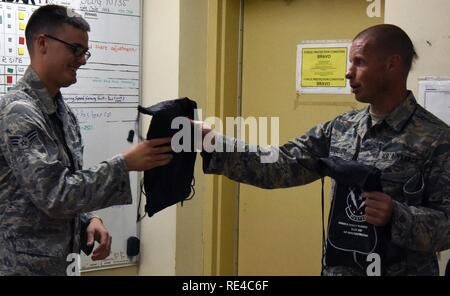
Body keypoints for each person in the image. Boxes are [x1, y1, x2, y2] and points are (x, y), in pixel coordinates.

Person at [197, 24, 450, 276]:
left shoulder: (436, 139)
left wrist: (397, 215)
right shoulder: (341, 128)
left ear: (392, 64)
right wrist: (212, 142)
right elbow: (282, 164)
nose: (348, 74)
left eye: (359, 62)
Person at [0, 5, 173, 276]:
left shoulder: (61, 111)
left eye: (85, 52)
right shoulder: (19, 112)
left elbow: (57, 187)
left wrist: (87, 220)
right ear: (43, 43)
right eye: (75, 49)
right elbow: (55, 195)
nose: (82, 60)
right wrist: (124, 165)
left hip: (61, 266)